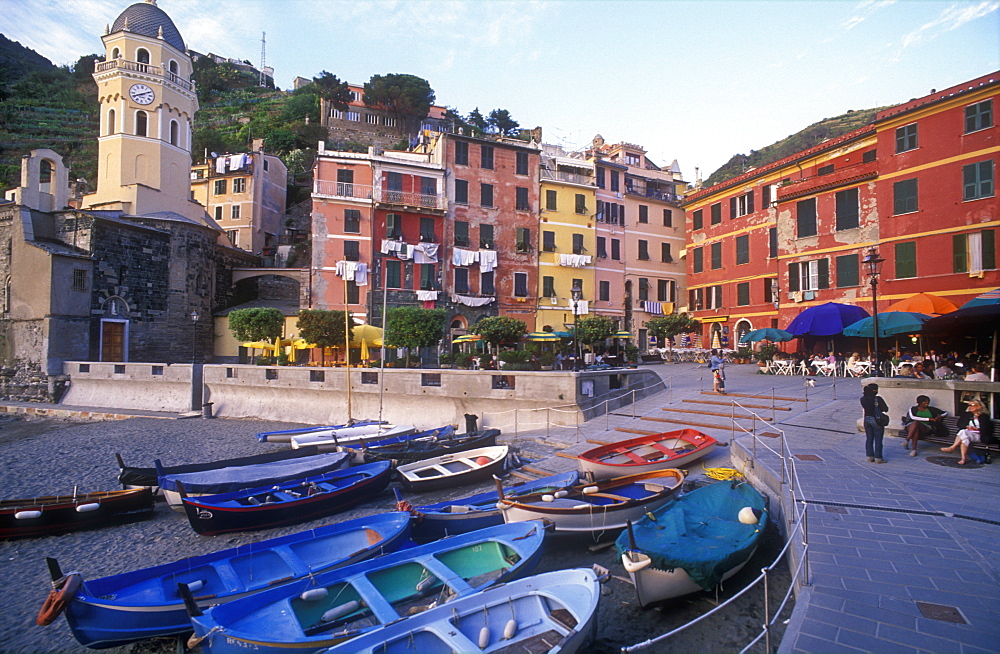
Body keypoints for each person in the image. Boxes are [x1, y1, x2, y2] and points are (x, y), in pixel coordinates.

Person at [940, 400, 994, 465]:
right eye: (969, 405)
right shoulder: (967, 415)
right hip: (968, 434)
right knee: (964, 439)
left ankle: (952, 447)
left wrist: (977, 429)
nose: (969, 407)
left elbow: (987, 429)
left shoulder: (984, 416)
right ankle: (963, 459)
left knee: (963, 433)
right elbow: (959, 424)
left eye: (972, 405)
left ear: (979, 407)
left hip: (980, 436)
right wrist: (967, 426)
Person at [860, 383, 889, 463]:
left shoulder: (863, 398)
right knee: (878, 439)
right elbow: (885, 409)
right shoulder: (877, 399)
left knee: (869, 438)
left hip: (866, 419)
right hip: (876, 419)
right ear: (874, 390)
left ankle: (870, 456)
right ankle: (878, 457)